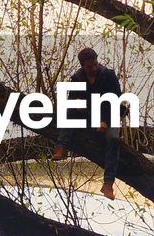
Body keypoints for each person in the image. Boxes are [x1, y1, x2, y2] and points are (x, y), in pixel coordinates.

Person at [51, 47, 123, 199]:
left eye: (95, 64)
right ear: (83, 66)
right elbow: (70, 99)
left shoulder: (108, 76)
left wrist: (105, 121)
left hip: (108, 115)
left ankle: (108, 184)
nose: (94, 68)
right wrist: (77, 102)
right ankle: (61, 146)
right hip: (89, 115)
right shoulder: (77, 78)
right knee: (70, 110)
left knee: (113, 139)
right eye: (90, 66)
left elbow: (116, 101)